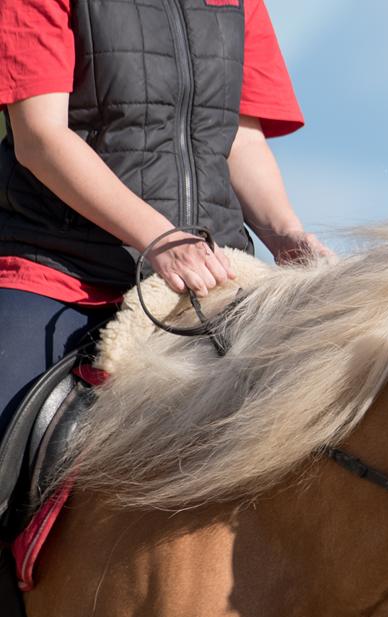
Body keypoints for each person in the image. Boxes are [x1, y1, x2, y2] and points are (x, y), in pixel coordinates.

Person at [0, 0, 330, 442]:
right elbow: (41, 137)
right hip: (62, 276)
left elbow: (240, 138)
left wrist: (284, 234)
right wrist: (159, 237)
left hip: (212, 283)